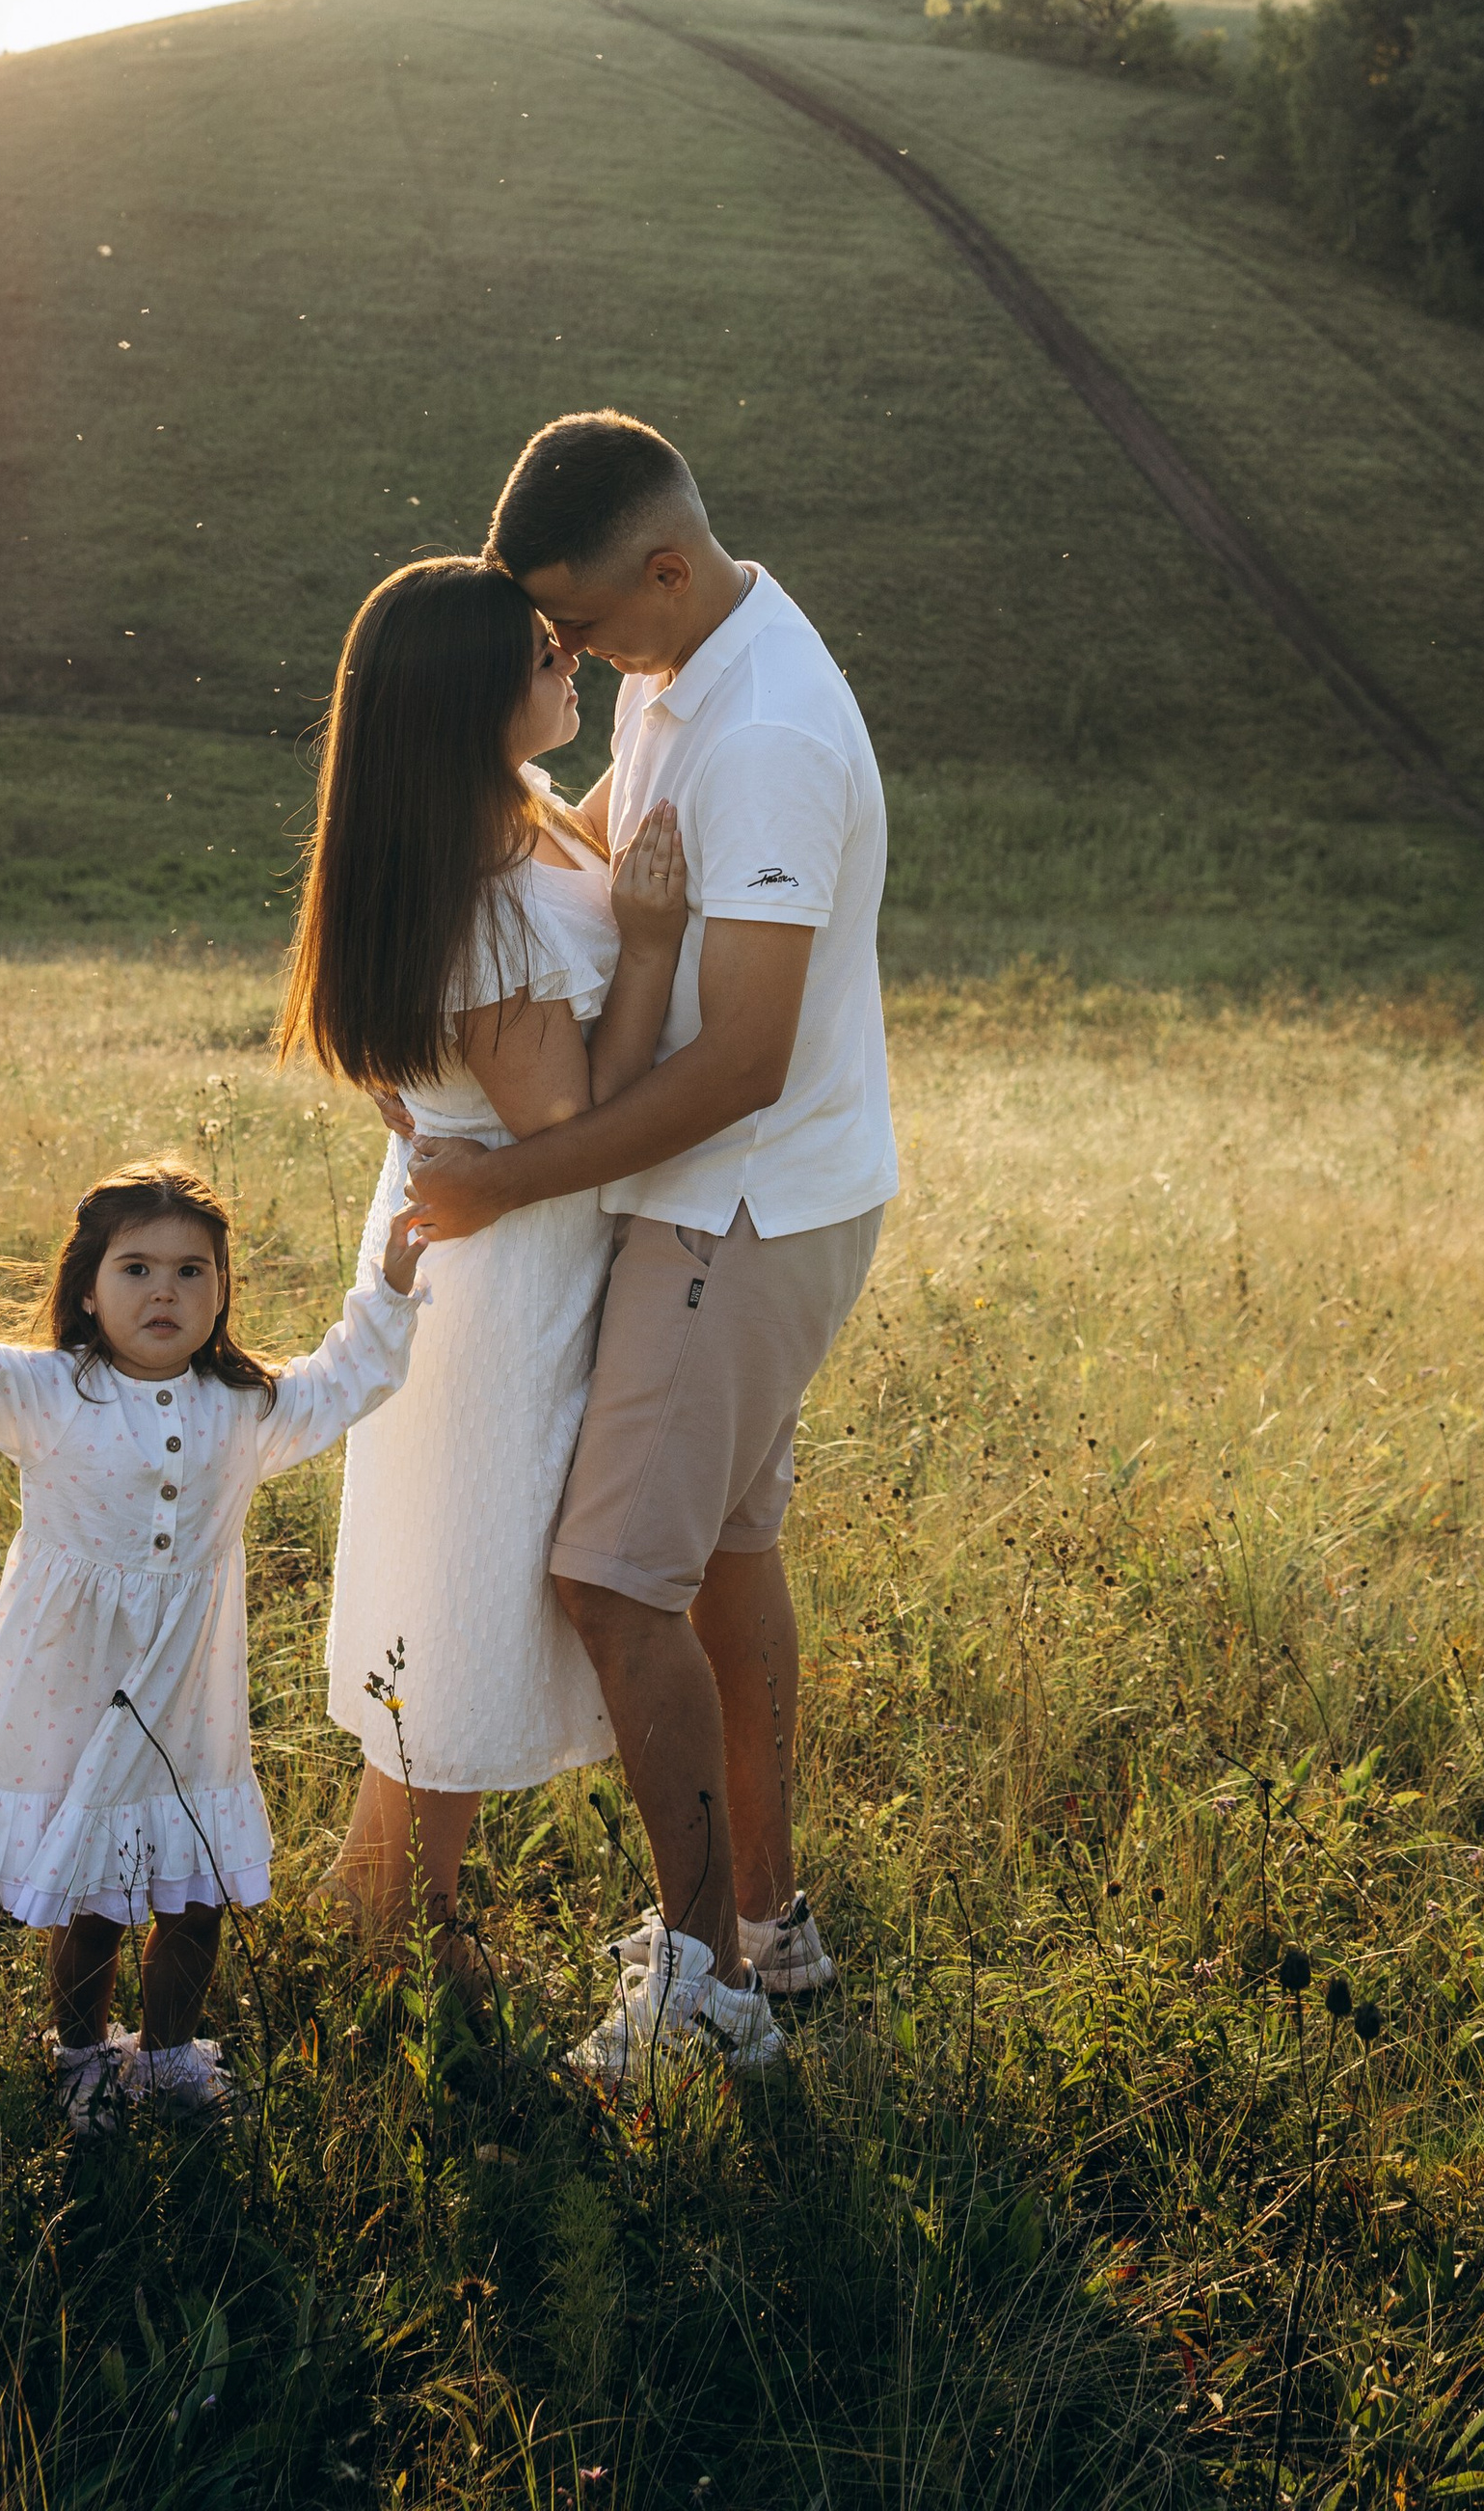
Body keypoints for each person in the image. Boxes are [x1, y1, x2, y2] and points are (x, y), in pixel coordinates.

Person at [404, 413, 896, 2087]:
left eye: (581, 627)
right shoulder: (679, 661)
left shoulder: (762, 733)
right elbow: (610, 862)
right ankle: (767, 1927)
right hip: (753, 1191)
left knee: (616, 1583)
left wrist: (518, 1177)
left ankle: (702, 1992)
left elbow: (742, 1058)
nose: (569, 656)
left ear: (663, 571)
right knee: (723, 1557)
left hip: (736, 1202)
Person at [0, 1160, 424, 2127]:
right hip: (73, 1680)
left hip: (188, 1692)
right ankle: (83, 2055)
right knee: (95, 1886)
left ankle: (172, 2056)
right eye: (137, 1269)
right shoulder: (51, 1393)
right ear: (88, 1291)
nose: (166, 1291)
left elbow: (350, 1375)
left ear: (222, 1294)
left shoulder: (245, 1406)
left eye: (192, 1271)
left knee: (197, 1881)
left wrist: (388, 1280)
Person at [277, 556, 689, 1961]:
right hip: (505, 1281)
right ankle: (400, 1912)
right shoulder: (490, 894)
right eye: (540, 654)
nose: (569, 658)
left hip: (496, 1253)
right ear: (470, 701)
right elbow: (576, 1125)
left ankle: (381, 1894)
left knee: (463, 1570)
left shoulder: (507, 823)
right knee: (470, 1578)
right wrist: (647, 949)